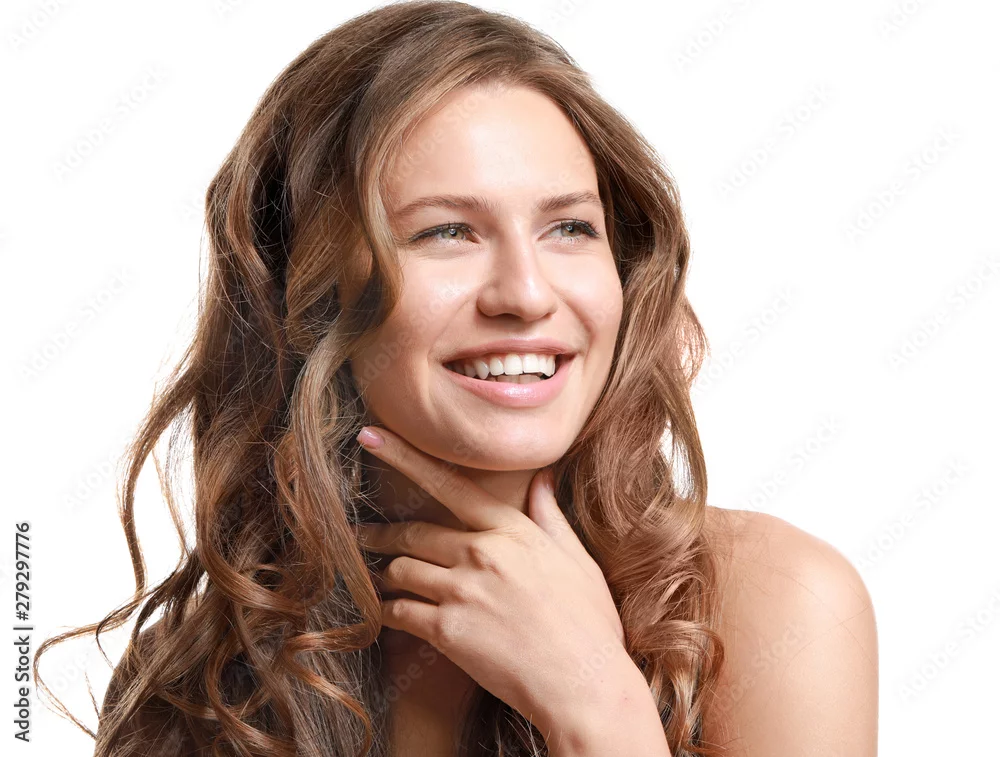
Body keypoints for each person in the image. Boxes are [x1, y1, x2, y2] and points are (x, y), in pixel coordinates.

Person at [34, 2, 878, 755]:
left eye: (569, 228)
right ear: (308, 291)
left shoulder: (778, 606)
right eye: (446, 232)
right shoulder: (208, 676)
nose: (526, 294)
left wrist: (598, 705)